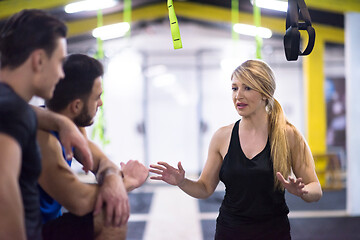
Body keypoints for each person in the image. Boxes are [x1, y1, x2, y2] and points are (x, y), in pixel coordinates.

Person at [149, 59, 323, 240]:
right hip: (230, 231)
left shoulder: (289, 135)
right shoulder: (222, 137)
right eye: (234, 88)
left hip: (273, 232)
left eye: (247, 88)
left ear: (265, 93)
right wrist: (182, 181)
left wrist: (303, 192)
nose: (238, 95)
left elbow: (316, 189)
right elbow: (205, 188)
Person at [0, 9, 94, 240]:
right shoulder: (12, 112)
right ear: (39, 60)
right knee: (108, 215)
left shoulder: (14, 107)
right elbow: (3, 197)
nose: (62, 74)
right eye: (60, 62)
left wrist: (61, 123)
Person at [37, 53, 148, 240]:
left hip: (46, 226)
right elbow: (78, 200)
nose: (101, 103)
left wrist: (112, 177)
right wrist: (127, 182)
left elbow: (102, 161)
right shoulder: (42, 138)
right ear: (76, 106)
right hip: (25, 232)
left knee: (111, 211)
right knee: (111, 215)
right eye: (97, 97)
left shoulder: (71, 127)